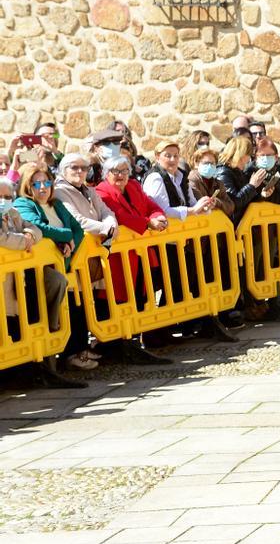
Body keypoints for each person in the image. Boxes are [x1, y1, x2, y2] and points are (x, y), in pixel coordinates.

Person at [92, 156, 175, 365]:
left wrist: (159, 216)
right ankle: (116, 344)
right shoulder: (101, 191)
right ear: (106, 173)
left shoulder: (134, 186)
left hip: (140, 252)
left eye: (124, 171)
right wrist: (149, 223)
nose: (120, 175)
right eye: (115, 171)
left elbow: (151, 205)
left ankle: (134, 340)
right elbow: (119, 215)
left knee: (140, 295)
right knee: (116, 299)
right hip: (118, 257)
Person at [1, 176, 81, 387]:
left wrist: (28, 236)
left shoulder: (13, 213)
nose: (3, 200)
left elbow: (35, 229)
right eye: (0, 196)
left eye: (7, 196)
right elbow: (3, 239)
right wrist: (24, 241)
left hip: (19, 281)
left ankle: (33, 369)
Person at [14, 162, 94, 371]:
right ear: (27, 186)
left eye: (46, 182)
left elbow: (77, 229)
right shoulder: (24, 204)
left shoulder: (56, 204)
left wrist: (70, 246)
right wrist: (65, 237)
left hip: (63, 263)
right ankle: (54, 333)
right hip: (39, 271)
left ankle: (75, 352)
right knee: (57, 286)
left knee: (77, 298)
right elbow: (39, 227)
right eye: (36, 183)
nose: (42, 188)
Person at [143, 140, 214, 220]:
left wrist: (204, 206)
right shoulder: (155, 178)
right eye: (168, 156)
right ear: (157, 157)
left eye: (176, 156)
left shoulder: (182, 175)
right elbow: (163, 210)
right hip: (165, 231)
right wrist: (193, 210)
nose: (173, 159)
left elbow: (192, 204)